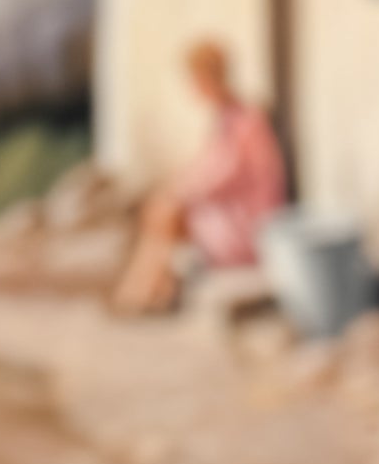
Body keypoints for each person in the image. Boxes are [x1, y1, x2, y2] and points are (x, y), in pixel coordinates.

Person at [112, 39, 287, 316]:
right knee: (162, 208)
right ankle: (149, 289)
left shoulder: (246, 120)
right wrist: (174, 186)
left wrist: (179, 191)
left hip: (248, 223)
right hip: (229, 211)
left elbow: (223, 177)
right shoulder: (226, 118)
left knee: (167, 211)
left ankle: (144, 291)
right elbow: (204, 168)